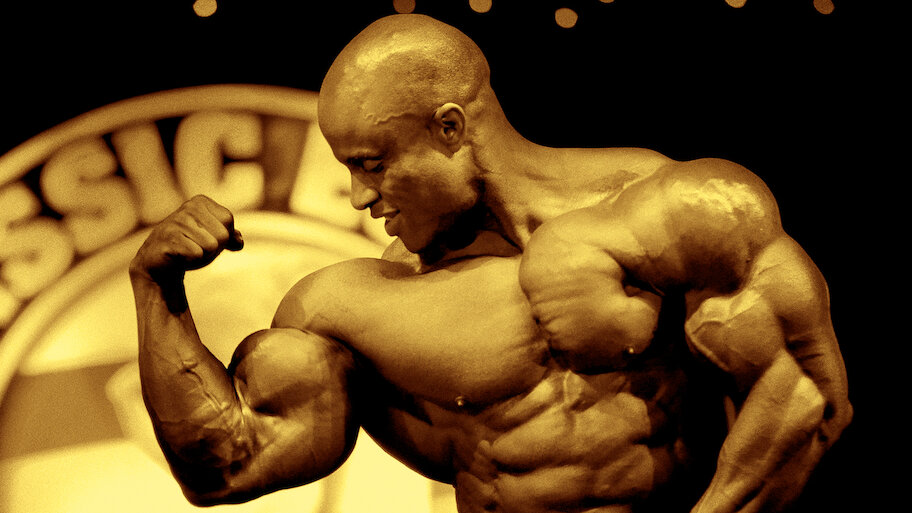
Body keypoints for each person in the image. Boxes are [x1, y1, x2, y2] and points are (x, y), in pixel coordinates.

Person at [129, 14, 852, 513]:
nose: (359, 196)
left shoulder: (670, 209)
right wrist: (156, 289)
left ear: (450, 128)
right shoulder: (348, 308)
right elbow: (227, 467)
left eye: (373, 164)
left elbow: (804, 398)